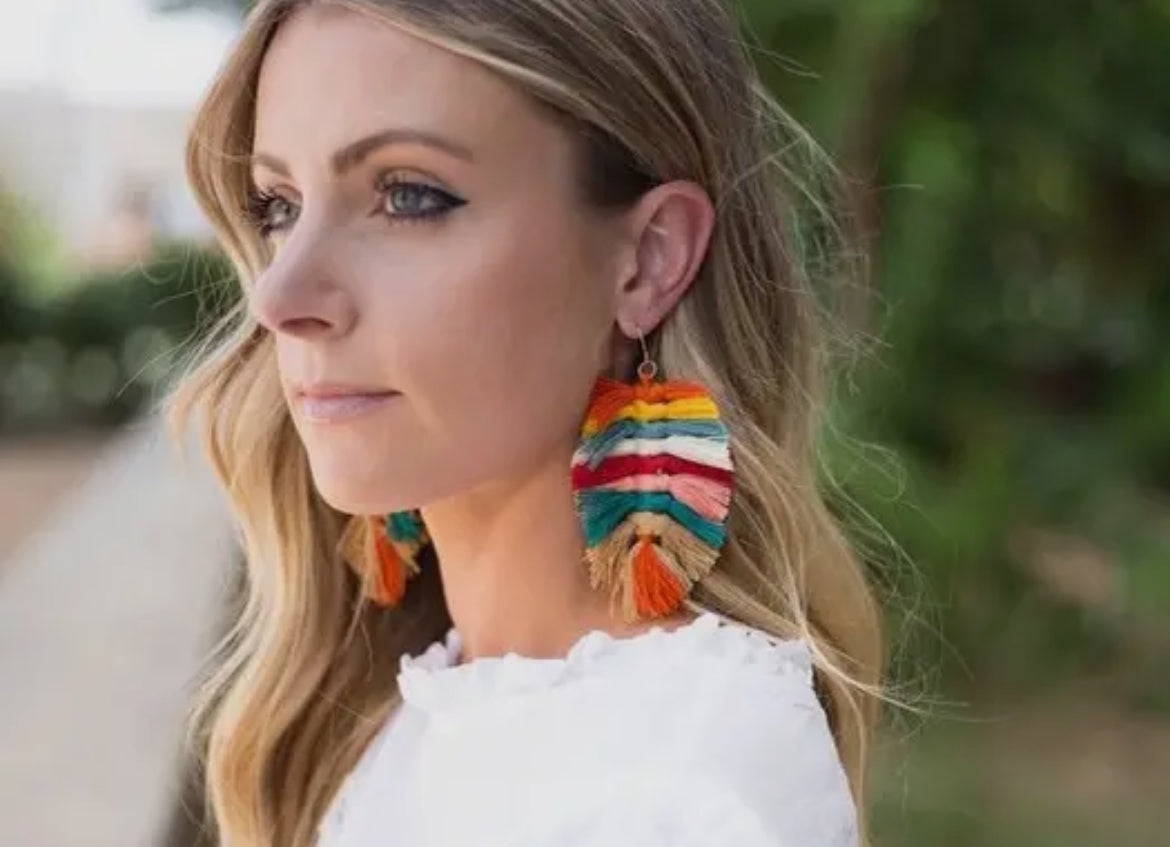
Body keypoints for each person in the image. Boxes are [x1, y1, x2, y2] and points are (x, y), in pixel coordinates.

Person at [170, 1, 886, 845]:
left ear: (650, 259)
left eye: (407, 195)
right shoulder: (415, 709)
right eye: (279, 204)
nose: (280, 297)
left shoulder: (676, 783)